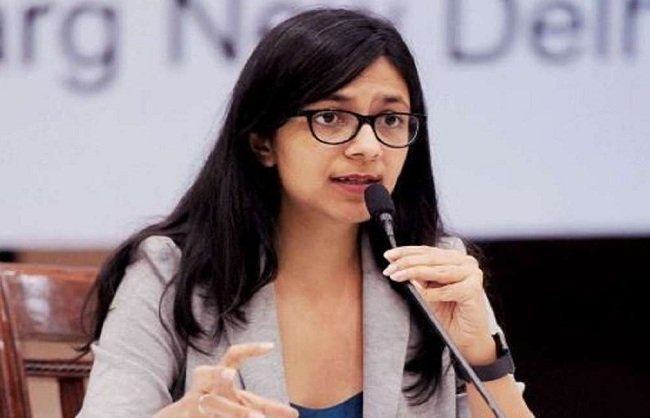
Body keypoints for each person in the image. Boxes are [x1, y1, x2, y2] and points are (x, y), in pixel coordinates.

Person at [77, 7, 533, 418]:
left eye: (390, 120)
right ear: (263, 141)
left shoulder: (434, 276)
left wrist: (481, 355)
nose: (368, 147)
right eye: (330, 117)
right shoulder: (172, 273)